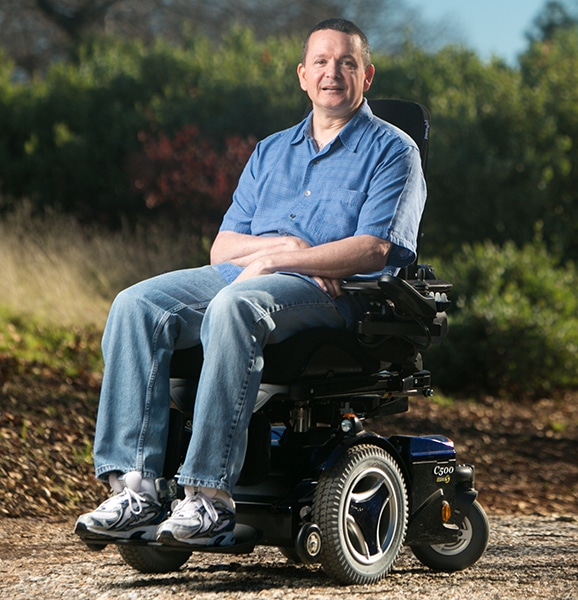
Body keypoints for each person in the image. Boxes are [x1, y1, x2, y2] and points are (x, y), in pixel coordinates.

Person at [75, 17, 426, 548]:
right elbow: (224, 248)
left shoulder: (393, 150)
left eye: (347, 63)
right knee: (135, 304)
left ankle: (208, 499)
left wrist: (296, 265)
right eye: (323, 63)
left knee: (235, 306)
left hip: (336, 296)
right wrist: (284, 250)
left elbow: (374, 248)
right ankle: (135, 488)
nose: (334, 73)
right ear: (303, 76)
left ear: (367, 76)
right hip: (246, 276)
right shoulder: (271, 151)